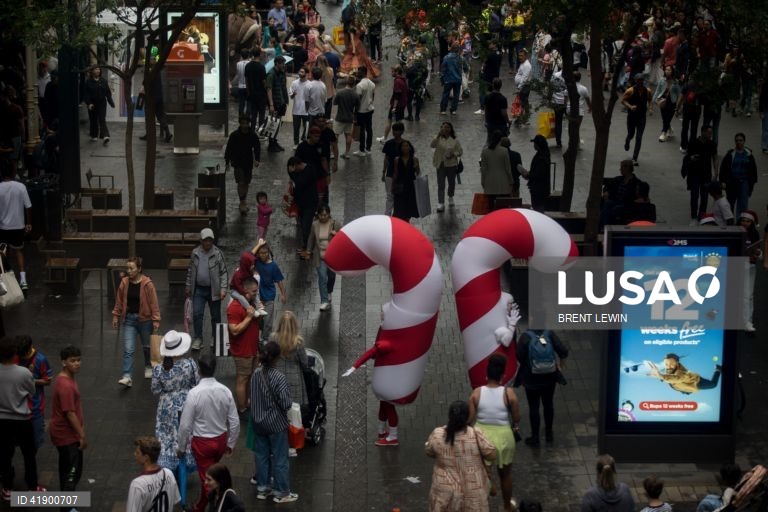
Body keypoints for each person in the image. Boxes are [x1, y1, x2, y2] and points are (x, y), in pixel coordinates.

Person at [177, 354, 240, 512]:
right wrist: (231, 443)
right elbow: (234, 421)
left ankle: (216, 507)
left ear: (199, 370)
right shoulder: (225, 391)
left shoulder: (194, 393)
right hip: (220, 441)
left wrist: (181, 447)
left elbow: (185, 425)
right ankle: (200, 506)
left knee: (208, 482)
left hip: (202, 444)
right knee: (210, 476)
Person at [468, 353, 521, 512]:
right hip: (504, 437)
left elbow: (469, 419)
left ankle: (486, 494)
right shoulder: (509, 393)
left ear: (487, 374)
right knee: (506, 475)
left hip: (481, 437)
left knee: (482, 473)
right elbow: (517, 418)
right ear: (502, 375)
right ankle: (507, 507)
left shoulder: (477, 393)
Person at [150, 331, 198, 506]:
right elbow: (195, 383)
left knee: (167, 440)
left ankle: (168, 472)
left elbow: (155, 390)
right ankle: (182, 470)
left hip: (166, 408)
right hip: (185, 405)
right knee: (183, 439)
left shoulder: (158, 369)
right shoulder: (190, 364)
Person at [425, 400, 497, 511]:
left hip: (444, 493)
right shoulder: (475, 434)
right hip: (473, 491)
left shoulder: (438, 434)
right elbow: (492, 455)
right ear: (467, 417)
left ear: (449, 416)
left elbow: (429, 451)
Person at [250, 341, 298, 503]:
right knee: (280, 458)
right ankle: (281, 492)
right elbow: (286, 404)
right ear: (277, 358)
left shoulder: (256, 374)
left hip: (258, 423)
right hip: (276, 424)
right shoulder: (279, 378)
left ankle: (262, 488)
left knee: (261, 456)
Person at [0, 336, 44, 500]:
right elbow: (32, 391)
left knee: (5, 454)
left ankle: (7, 488)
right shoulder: (23, 372)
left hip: (2, 420)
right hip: (22, 420)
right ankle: (32, 486)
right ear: (15, 354)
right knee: (28, 454)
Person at [513, 319, 568, 447]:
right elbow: (564, 351)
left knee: (534, 407)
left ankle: (535, 437)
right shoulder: (549, 334)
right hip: (549, 378)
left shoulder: (526, 337)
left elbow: (519, 356)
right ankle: (549, 434)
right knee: (548, 405)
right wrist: (560, 365)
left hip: (531, 379)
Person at [112, 257, 161, 387]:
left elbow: (154, 303)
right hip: (129, 320)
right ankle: (127, 376)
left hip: (145, 320)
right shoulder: (124, 282)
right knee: (128, 349)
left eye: (131, 268)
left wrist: (156, 319)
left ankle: (148, 366)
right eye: (127, 268)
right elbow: (119, 301)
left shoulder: (147, 284)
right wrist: (116, 315)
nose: (128, 271)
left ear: (139, 269)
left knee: (147, 346)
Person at [49, 345, 83, 508]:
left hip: (66, 433)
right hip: (67, 435)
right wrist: (82, 435)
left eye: (78, 360)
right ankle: (68, 507)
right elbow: (69, 413)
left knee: (68, 470)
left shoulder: (66, 378)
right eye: (72, 361)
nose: (76, 363)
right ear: (64, 362)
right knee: (71, 473)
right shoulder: (66, 386)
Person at [186, 228, 228, 351]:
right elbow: (190, 271)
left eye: (210, 240)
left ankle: (216, 338)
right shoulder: (195, 253)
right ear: (201, 241)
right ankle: (198, 338)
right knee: (197, 314)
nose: (208, 242)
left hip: (214, 289)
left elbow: (223, 272)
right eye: (205, 240)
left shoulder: (218, 253)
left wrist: (223, 288)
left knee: (215, 315)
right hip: (199, 289)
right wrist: (188, 285)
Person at [227, 277, 261, 415]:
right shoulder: (234, 307)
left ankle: (247, 401)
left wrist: (259, 313)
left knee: (251, 377)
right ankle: (241, 408)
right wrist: (249, 317)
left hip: (253, 348)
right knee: (243, 378)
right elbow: (234, 330)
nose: (256, 293)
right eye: (254, 291)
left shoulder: (250, 304)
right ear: (245, 290)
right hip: (242, 351)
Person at [15, 336, 53, 450]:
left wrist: (31, 380)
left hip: (35, 407)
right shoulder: (15, 356)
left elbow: (48, 381)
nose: (22, 357)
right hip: (17, 407)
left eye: (24, 354)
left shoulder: (41, 360)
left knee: (35, 441)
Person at [126, 436, 180, 512]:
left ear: (146, 457)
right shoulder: (169, 474)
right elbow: (175, 500)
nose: (134, 454)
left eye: (138, 452)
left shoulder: (137, 485)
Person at [0, 162, 32, 290]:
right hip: (18, 226)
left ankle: (5, 280)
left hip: (3, 227)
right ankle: (23, 281)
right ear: (13, 172)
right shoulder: (21, 187)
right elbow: (28, 206)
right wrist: (29, 223)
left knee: (3, 252)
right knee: (19, 251)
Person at [271, 311, 309, 417]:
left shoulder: (273, 338)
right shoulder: (298, 342)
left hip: (276, 376)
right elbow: (305, 363)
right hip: (294, 381)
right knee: (293, 410)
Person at [304, 205, 341, 311]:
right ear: (318, 215)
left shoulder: (335, 224)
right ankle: (324, 301)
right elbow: (311, 238)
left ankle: (329, 291)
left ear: (328, 214)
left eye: (325, 215)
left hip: (332, 256)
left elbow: (343, 237)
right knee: (322, 277)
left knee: (331, 276)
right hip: (319, 256)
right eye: (321, 215)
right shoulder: (315, 225)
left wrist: (336, 234)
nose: (323, 217)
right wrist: (308, 251)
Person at [225, 115, 261, 215]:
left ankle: (243, 200)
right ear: (240, 124)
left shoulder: (252, 135)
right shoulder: (234, 135)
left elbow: (257, 147)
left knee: (246, 183)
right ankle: (242, 202)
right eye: (243, 123)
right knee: (241, 182)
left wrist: (257, 159)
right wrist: (227, 161)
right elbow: (229, 148)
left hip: (248, 162)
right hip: (237, 162)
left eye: (246, 123)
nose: (245, 125)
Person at [682, 125, 717, 224]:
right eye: (709, 133)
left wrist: (716, 172)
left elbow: (715, 157)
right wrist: (692, 158)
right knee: (694, 196)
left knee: (704, 197)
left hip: (706, 174)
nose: (710, 135)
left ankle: (702, 216)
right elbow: (687, 156)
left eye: (711, 133)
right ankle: (693, 216)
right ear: (703, 132)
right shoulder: (693, 143)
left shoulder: (711, 144)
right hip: (694, 174)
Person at [719, 133, 758, 218]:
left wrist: (752, 182)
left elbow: (753, 170)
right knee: (730, 203)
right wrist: (722, 181)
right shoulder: (730, 154)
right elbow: (723, 168)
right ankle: (730, 221)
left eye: (740, 140)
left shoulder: (749, 155)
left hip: (744, 182)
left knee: (743, 204)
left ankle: (741, 221)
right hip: (732, 182)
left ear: (744, 141)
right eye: (737, 140)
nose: (738, 142)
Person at [254, 242, 286, 341]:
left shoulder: (273, 266)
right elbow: (249, 255)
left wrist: (283, 294)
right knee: (258, 318)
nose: (263, 255)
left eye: (265, 253)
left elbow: (279, 281)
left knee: (268, 319)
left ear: (268, 252)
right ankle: (259, 334)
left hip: (269, 296)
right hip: (257, 296)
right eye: (261, 253)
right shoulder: (256, 262)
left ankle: (265, 339)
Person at [647, 353, 722, 394]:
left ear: (677, 363)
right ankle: (686, 391)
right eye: (666, 364)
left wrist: (661, 376)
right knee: (686, 390)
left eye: (672, 364)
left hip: (695, 382)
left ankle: (718, 370)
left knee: (713, 385)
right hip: (684, 386)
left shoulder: (680, 372)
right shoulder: (669, 370)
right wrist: (661, 377)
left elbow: (678, 378)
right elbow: (670, 378)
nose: (669, 366)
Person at [431, 122, 463, 212]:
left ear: (451, 129)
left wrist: (453, 154)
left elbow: (460, 151)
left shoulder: (455, 140)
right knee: (441, 184)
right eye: (444, 127)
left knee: (451, 183)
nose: (445, 129)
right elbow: (432, 145)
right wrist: (438, 135)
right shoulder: (438, 138)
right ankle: (441, 203)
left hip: (451, 165)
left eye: (447, 127)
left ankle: (450, 196)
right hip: (440, 164)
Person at [621, 74, 652, 165]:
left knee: (639, 138)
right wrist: (630, 106)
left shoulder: (647, 91)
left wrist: (650, 108)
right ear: (635, 80)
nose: (640, 82)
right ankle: (627, 141)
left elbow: (650, 100)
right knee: (631, 134)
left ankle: (635, 158)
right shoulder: (630, 91)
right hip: (632, 117)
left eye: (642, 80)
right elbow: (623, 101)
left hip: (642, 118)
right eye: (639, 80)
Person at [481, 131, 515, 209]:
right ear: (500, 140)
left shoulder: (485, 152)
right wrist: (511, 181)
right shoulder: (504, 151)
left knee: (491, 206)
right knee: (503, 207)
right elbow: (508, 168)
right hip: (503, 183)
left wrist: (483, 181)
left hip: (490, 182)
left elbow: (483, 169)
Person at [601, 160, 641, 227]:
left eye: (621, 168)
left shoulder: (636, 183)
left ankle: (604, 227)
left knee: (609, 206)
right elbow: (607, 186)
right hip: (615, 201)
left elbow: (641, 196)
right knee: (607, 205)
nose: (620, 170)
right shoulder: (618, 179)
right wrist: (606, 192)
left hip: (627, 204)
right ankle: (605, 226)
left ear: (627, 168)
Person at [740, 210, 760, 332]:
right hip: (734, 266)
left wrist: (757, 254)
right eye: (743, 220)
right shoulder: (735, 233)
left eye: (748, 221)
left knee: (747, 295)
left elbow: (759, 253)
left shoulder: (754, 235)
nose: (745, 223)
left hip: (749, 266)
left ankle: (747, 321)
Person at [377, 66, 409, 143]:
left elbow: (397, 94)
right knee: (397, 121)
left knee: (391, 121)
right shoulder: (403, 80)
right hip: (402, 104)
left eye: (393, 71)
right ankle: (393, 138)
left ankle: (386, 138)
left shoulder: (397, 81)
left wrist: (394, 107)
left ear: (397, 72)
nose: (391, 73)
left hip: (397, 105)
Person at [391, 140, 421, 222]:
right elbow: (395, 173)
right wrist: (393, 185)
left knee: (409, 207)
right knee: (399, 207)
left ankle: (407, 221)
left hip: (411, 186)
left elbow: (418, 173)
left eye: (407, 146)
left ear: (410, 148)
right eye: (403, 146)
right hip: (400, 186)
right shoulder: (397, 159)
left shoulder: (414, 159)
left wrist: (416, 167)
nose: (405, 148)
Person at [83, 67, 114, 145]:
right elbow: (86, 94)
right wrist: (89, 103)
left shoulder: (103, 81)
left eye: (98, 69)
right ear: (92, 71)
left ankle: (105, 136)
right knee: (93, 120)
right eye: (95, 69)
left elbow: (108, 93)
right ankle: (94, 135)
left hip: (102, 103)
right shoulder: (88, 82)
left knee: (101, 119)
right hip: (92, 103)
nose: (97, 71)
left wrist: (111, 102)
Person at [521, 135, 552, 211]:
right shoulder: (543, 154)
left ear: (538, 145)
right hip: (540, 189)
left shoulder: (541, 158)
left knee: (538, 207)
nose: (534, 145)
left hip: (539, 190)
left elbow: (538, 174)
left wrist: (528, 175)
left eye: (535, 143)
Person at [381, 122, 406, 216]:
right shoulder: (389, 143)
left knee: (400, 195)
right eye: (394, 130)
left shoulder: (406, 144)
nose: (395, 132)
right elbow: (386, 159)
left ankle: (399, 214)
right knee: (390, 195)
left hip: (402, 174)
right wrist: (383, 172)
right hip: (390, 173)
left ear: (402, 131)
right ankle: (387, 214)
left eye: (397, 130)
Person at [266, 56, 289, 152]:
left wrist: (286, 100)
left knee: (278, 123)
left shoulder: (282, 73)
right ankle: (271, 144)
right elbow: (269, 89)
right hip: (275, 102)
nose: (284, 65)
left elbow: (283, 87)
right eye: (282, 63)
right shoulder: (271, 74)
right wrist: (271, 105)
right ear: (277, 64)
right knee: (273, 123)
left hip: (281, 102)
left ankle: (274, 141)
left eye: (284, 63)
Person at [334, 76, 360, 159]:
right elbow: (357, 107)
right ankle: (347, 153)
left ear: (346, 82)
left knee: (336, 135)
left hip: (340, 117)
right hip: (349, 118)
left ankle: (334, 152)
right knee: (348, 135)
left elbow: (335, 103)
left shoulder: (340, 92)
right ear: (354, 84)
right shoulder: (355, 95)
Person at [653, 65, 680, 142]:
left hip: (672, 102)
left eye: (669, 70)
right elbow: (658, 90)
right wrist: (654, 100)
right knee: (664, 118)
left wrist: (678, 106)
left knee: (668, 118)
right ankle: (670, 129)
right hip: (662, 101)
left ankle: (663, 133)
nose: (667, 71)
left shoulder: (675, 82)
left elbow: (679, 93)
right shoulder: (662, 80)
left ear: (672, 72)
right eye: (666, 70)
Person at [245, 48, 268, 130]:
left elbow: (246, 80)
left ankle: (252, 131)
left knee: (253, 114)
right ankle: (260, 131)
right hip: (261, 95)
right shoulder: (261, 67)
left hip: (252, 94)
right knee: (261, 114)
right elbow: (264, 81)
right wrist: (267, 90)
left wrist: (248, 91)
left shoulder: (248, 66)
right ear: (260, 54)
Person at [355, 66, 376, 156]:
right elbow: (373, 97)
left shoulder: (359, 85)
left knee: (362, 130)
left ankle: (362, 149)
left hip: (361, 111)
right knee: (369, 129)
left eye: (358, 71)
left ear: (362, 72)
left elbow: (358, 100)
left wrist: (355, 112)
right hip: (370, 109)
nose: (357, 73)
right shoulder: (372, 84)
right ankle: (368, 148)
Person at [439, 43, 464, 115]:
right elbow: (465, 67)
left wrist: (442, 78)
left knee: (446, 94)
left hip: (448, 79)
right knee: (456, 95)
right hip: (457, 79)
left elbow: (443, 69)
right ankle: (453, 110)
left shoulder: (446, 57)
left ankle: (443, 109)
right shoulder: (460, 58)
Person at [289, 67, 310, 148]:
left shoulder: (309, 84)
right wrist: (293, 94)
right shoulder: (294, 83)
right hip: (296, 110)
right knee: (296, 128)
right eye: (299, 71)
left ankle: (304, 141)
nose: (300, 73)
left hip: (306, 110)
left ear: (306, 73)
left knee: (306, 128)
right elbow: (291, 96)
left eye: (302, 72)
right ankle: (296, 143)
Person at [484, 78, 510, 144]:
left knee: (490, 141)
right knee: (501, 142)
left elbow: (486, 110)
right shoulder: (503, 99)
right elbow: (504, 113)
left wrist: (486, 121)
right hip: (500, 124)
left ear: (493, 85)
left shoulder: (487, 97)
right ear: (500, 86)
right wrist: (508, 121)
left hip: (491, 123)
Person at [513, 48, 532, 125]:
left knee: (522, 103)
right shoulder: (523, 63)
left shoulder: (527, 65)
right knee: (524, 102)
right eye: (519, 55)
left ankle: (520, 119)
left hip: (524, 87)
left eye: (522, 56)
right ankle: (524, 118)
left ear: (526, 56)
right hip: (523, 86)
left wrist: (519, 87)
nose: (520, 57)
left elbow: (524, 78)